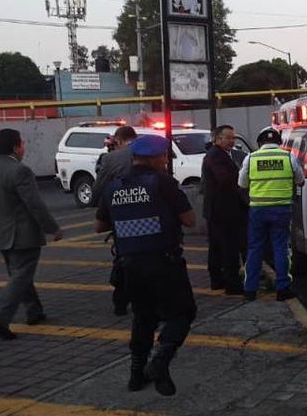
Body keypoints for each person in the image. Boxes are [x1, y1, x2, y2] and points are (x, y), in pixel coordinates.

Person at [94, 135, 197, 395]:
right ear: (153, 158)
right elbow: (189, 220)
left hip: (129, 266)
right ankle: (160, 361)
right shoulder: (162, 182)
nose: (166, 161)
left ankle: (136, 375)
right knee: (182, 313)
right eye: (164, 156)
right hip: (164, 263)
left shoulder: (114, 186)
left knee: (143, 319)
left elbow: (99, 226)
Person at [0, 129, 62, 340]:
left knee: (19, 273)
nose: (24, 148)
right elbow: (35, 204)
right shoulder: (20, 170)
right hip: (22, 235)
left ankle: (34, 310)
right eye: (23, 144)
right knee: (20, 276)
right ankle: (1, 318)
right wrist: (53, 227)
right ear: (16, 148)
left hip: (3, 235)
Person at [238, 127, 303, 302]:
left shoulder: (251, 158)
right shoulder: (289, 157)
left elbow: (242, 184)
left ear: (260, 143)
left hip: (258, 210)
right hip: (281, 210)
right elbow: (301, 181)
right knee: (281, 248)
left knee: (255, 248)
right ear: (278, 142)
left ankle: (250, 290)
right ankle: (282, 289)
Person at [90, 125, 138, 315]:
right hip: (150, 213)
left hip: (122, 216)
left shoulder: (110, 158)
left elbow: (99, 187)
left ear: (117, 140)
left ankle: (121, 302)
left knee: (124, 258)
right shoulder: (147, 151)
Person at [201, 125, 246, 295]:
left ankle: (217, 280)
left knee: (217, 247)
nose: (232, 141)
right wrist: (242, 175)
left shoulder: (222, 154)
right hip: (222, 210)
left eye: (233, 137)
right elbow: (225, 179)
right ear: (217, 138)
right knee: (228, 247)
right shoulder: (215, 155)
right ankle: (232, 284)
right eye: (228, 137)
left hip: (220, 209)